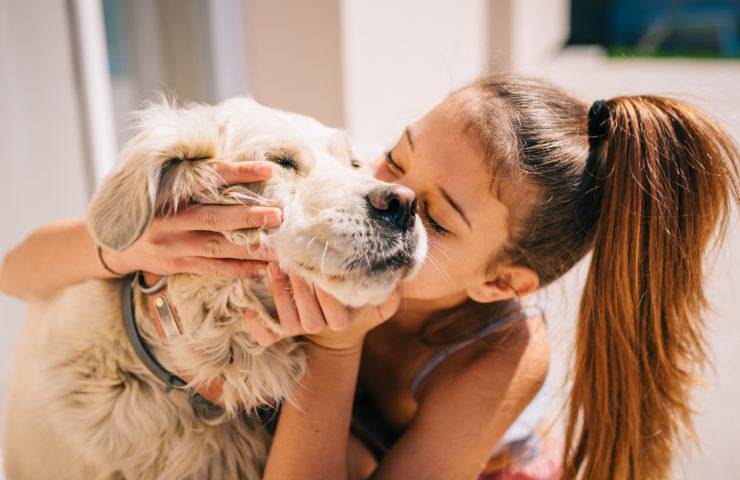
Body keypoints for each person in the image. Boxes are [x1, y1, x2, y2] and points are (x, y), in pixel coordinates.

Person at [1, 75, 738, 480]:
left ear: (500, 285)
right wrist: (133, 248)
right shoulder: (345, 202)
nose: (386, 196)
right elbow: (16, 272)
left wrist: (336, 348)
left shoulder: (502, 351)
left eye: (438, 220)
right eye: (392, 155)